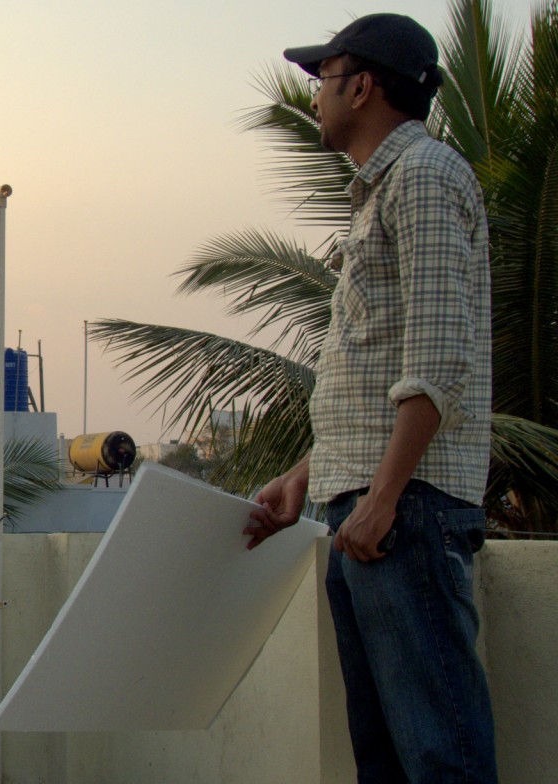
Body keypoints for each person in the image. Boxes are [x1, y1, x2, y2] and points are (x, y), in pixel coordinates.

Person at [244, 14, 497, 784]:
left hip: (404, 514)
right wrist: (306, 475)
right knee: (388, 758)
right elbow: (376, 372)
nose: (314, 93)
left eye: (323, 77)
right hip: (370, 507)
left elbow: (436, 357)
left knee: (436, 756)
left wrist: (385, 497)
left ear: (363, 85)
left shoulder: (422, 176)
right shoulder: (386, 189)